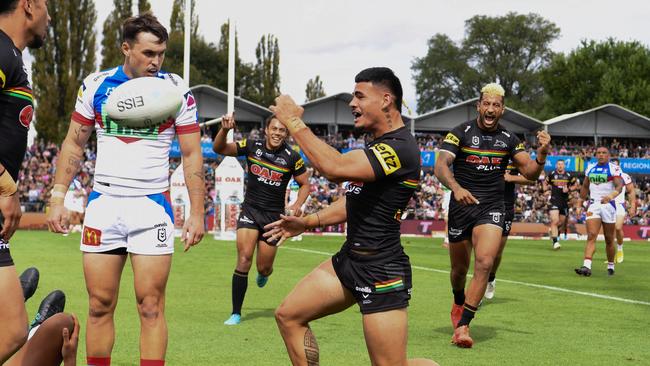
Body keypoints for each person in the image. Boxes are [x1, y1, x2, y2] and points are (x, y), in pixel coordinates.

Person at [46, 13, 204, 366]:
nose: (156, 61)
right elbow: (74, 144)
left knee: (151, 306)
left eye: (161, 53)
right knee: (99, 304)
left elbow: (192, 155)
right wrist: (57, 197)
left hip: (152, 206)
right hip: (105, 203)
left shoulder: (175, 89)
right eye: (148, 53)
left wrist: (196, 212)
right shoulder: (96, 85)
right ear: (126, 48)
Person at [265, 67, 436, 366]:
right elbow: (354, 201)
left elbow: (335, 168)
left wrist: (293, 120)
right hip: (349, 262)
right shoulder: (377, 146)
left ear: (386, 100)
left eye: (359, 96)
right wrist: (306, 222)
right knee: (289, 316)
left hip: (381, 270)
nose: (352, 104)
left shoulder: (401, 148)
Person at [434, 83, 551, 348]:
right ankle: (457, 299)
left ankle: (463, 326)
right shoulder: (459, 133)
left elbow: (531, 173)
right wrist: (456, 188)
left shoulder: (510, 139)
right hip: (461, 206)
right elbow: (440, 166)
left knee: (485, 263)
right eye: (486, 104)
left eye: (496, 105)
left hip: (492, 207)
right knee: (458, 270)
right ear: (478, 106)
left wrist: (542, 153)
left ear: (502, 109)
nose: (490, 109)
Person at [213, 113, 310, 325]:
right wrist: (225, 130)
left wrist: (295, 205)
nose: (277, 133)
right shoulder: (251, 145)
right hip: (250, 211)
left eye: (282, 130)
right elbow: (219, 149)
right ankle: (236, 313)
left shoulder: (292, 157)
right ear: (266, 130)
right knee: (244, 258)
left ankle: (264, 273)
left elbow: (305, 184)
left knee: (263, 267)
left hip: (273, 219)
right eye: (274, 129)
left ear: (286, 134)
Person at [0, 0, 50, 362]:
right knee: (13, 330)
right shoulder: (0, 51)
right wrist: (7, 187)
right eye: (47, 4)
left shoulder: (11, 57)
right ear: (28, 5)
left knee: (13, 329)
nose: (50, 15)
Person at [484, 163, 534, 300]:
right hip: (486, 204)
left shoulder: (515, 158)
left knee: (497, 251)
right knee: (483, 250)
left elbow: (531, 178)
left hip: (506, 207)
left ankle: (491, 278)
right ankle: (477, 290)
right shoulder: (487, 153)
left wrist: (511, 178)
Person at [575, 147, 623, 277]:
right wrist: (579, 203)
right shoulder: (590, 167)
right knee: (591, 235)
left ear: (608, 155)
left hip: (609, 206)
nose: (601, 155)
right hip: (594, 204)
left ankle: (611, 265)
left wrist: (611, 196)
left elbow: (619, 186)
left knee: (609, 239)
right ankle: (586, 266)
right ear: (596, 155)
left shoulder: (614, 168)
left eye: (604, 153)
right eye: (599, 153)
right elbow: (585, 186)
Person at [543, 160, 578, 249]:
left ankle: (553, 231)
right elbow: (545, 183)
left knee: (560, 223)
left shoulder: (569, 176)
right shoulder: (551, 174)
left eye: (562, 164)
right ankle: (555, 242)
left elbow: (576, 185)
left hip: (564, 202)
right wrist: (545, 190)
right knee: (555, 221)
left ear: (564, 166)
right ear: (556, 165)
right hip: (554, 200)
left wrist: (569, 189)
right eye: (558, 164)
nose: (560, 166)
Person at [611, 158, 635, 263]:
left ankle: (620, 249)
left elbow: (631, 191)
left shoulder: (625, 176)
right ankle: (611, 256)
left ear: (619, 166)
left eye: (616, 165)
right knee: (609, 232)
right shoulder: (607, 176)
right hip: (607, 205)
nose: (614, 167)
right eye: (612, 165)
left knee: (618, 227)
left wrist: (632, 206)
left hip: (619, 204)